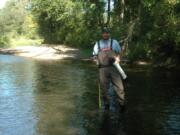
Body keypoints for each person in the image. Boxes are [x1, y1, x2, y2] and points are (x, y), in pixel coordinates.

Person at [92, 28, 126, 111]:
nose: (105, 34)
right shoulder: (97, 44)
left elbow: (120, 52)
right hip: (102, 69)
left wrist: (118, 58)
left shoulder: (114, 42)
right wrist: (95, 60)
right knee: (104, 89)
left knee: (120, 88)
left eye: (107, 33)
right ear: (102, 34)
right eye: (104, 33)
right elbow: (94, 56)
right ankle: (107, 106)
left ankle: (122, 105)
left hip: (114, 67)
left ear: (109, 34)